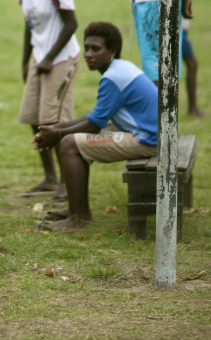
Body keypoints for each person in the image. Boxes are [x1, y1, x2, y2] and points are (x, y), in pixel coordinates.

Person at [34, 22, 158, 231]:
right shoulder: (121, 67)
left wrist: (58, 133)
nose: (88, 54)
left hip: (149, 141)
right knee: (70, 140)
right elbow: (95, 117)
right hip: (150, 135)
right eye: (87, 48)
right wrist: (56, 128)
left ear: (112, 51)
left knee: (69, 144)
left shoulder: (112, 77)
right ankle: (79, 211)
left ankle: (77, 219)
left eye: (96, 49)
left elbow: (93, 125)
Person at [15, 0, 79, 199]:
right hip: (40, 61)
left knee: (54, 122)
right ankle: (50, 178)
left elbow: (71, 23)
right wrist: (25, 61)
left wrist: (51, 57)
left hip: (62, 59)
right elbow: (30, 26)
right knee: (33, 118)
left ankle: (67, 183)